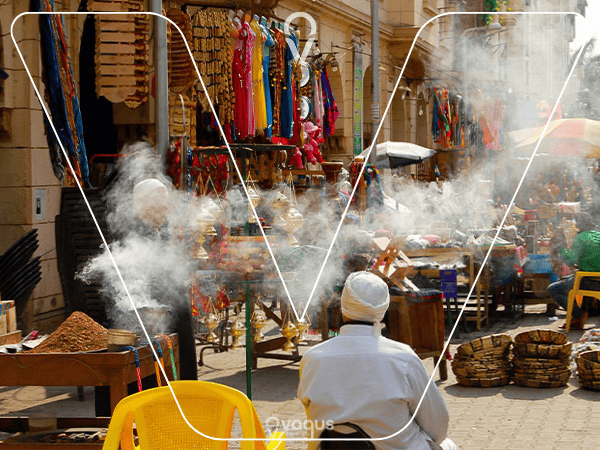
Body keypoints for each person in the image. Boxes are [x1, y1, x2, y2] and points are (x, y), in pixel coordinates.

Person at [297, 271, 459, 450]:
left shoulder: (312, 358)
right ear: (383, 309)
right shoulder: (404, 359)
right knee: (448, 445)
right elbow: (437, 427)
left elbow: (310, 411)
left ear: (343, 306)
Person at [132, 178, 198, 380]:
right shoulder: (133, 234)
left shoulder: (163, 229)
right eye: (158, 202)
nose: (165, 207)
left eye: (165, 201)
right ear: (143, 204)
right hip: (150, 308)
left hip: (173, 304)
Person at [548, 212, 600, 330]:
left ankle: (579, 314)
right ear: (591, 223)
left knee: (553, 289)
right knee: (574, 279)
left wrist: (561, 247)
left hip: (588, 281)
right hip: (595, 279)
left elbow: (570, 261)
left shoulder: (580, 238)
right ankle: (577, 319)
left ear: (578, 226)